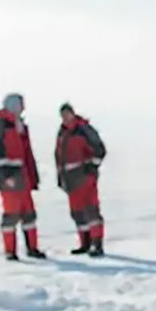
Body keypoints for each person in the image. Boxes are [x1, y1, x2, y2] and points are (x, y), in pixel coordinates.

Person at [0, 93, 46, 261]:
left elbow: (27, 153)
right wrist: (5, 175)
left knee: (29, 213)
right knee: (11, 214)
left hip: (22, 175)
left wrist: (33, 176)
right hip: (9, 176)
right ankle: (10, 251)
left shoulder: (20, 126)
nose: (22, 108)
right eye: (20, 105)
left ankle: (32, 248)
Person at [54, 103, 107, 256]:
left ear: (72, 113)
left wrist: (91, 167)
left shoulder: (84, 129)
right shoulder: (62, 133)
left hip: (85, 176)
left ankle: (97, 244)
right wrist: (60, 176)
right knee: (77, 212)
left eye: (67, 114)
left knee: (91, 210)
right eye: (62, 115)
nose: (65, 118)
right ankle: (85, 243)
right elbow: (59, 156)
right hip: (70, 178)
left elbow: (100, 149)